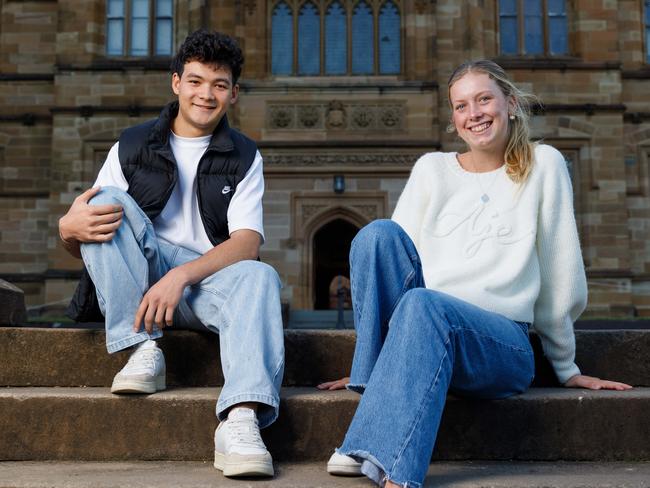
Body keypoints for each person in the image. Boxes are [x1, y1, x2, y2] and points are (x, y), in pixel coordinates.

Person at [318, 59, 632, 488]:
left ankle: (391, 470)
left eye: (484, 99)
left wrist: (566, 366)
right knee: (376, 235)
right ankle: (376, 383)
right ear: (453, 118)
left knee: (426, 304)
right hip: (428, 328)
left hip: (503, 345)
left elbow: (562, 272)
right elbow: (395, 267)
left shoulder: (545, 164)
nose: (475, 113)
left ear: (511, 104)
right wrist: (376, 359)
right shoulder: (432, 169)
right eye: (462, 105)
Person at [58, 30, 284, 479]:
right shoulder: (132, 145)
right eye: (197, 81)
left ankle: (240, 418)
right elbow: (90, 232)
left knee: (260, 276)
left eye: (219, 85)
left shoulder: (244, 155)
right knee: (106, 200)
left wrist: (179, 277)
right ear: (176, 82)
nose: (206, 94)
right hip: (138, 287)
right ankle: (140, 347)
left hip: (205, 288)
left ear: (233, 94)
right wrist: (67, 230)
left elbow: (246, 244)